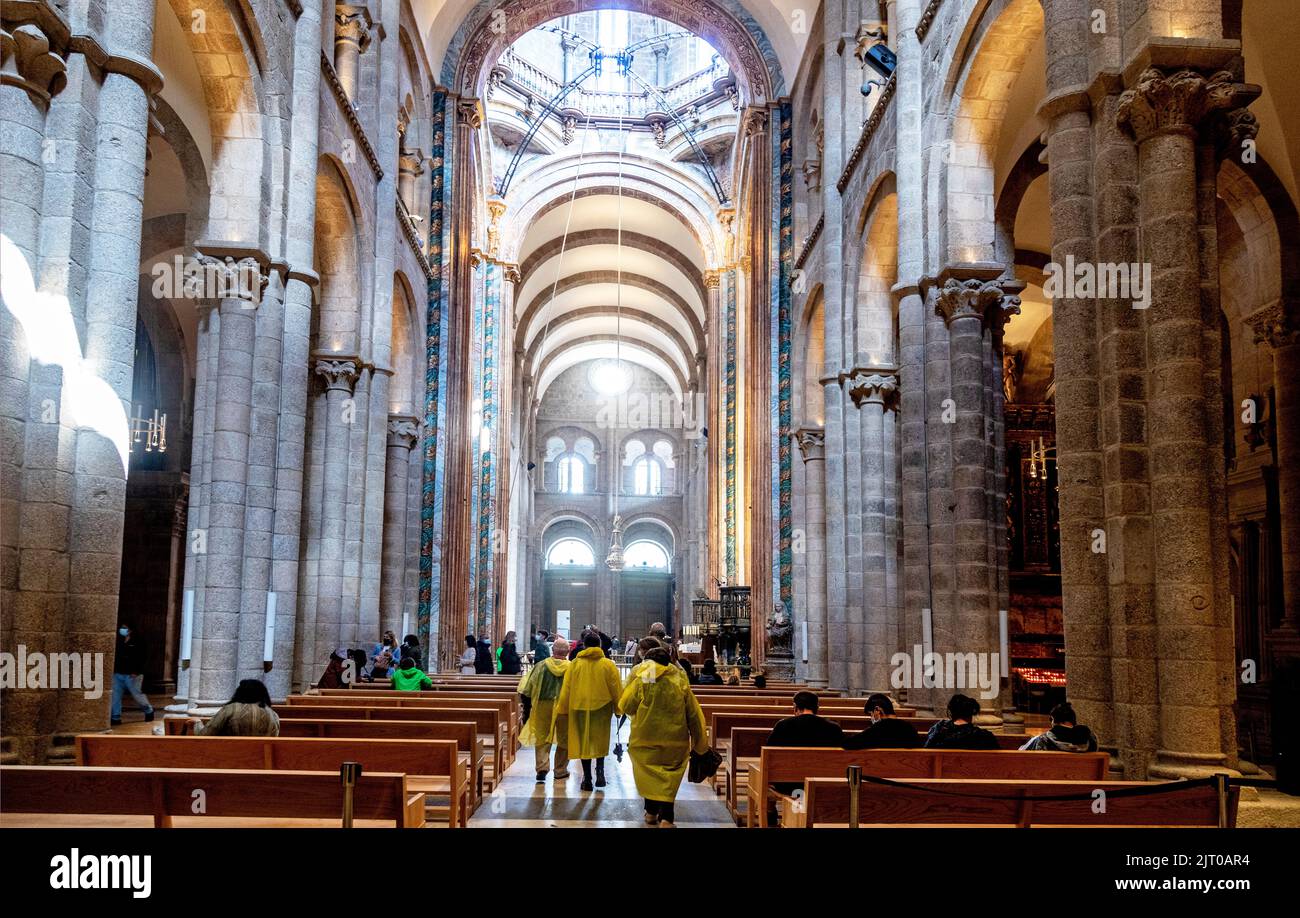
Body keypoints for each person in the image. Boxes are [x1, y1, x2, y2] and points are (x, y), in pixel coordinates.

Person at [618, 638, 709, 827]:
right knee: (669, 777)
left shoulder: (643, 679)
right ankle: (667, 817)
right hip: (675, 740)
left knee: (648, 774)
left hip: (645, 738)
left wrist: (640, 712)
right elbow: (694, 715)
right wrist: (701, 744)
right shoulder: (680, 680)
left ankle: (650, 812)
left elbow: (625, 704)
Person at [556, 631, 623, 791]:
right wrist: (619, 707)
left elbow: (567, 688)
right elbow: (616, 687)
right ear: (599, 645)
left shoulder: (575, 664)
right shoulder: (608, 664)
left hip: (579, 707)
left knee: (583, 742)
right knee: (600, 740)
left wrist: (563, 708)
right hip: (602, 707)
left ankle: (587, 778)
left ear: (584, 645)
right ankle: (600, 773)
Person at [519, 637, 571, 782]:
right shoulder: (572, 667)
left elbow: (527, 688)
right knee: (564, 738)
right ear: (567, 652)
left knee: (542, 737)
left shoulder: (541, 666)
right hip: (564, 707)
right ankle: (560, 770)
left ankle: (542, 768)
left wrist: (527, 709)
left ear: (553, 650)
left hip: (543, 705)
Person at [200, 679, 280, 736]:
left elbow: (205, 734)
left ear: (239, 692)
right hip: (262, 758)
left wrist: (197, 723)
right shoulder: (272, 714)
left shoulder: (230, 709)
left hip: (229, 757)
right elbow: (274, 737)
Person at [765, 692, 845, 748]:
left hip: (788, 769)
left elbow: (769, 749)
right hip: (824, 770)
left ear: (795, 707)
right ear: (817, 707)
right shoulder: (833, 727)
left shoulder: (783, 725)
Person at [843, 693, 922, 749]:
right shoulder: (910, 728)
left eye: (871, 714)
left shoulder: (877, 730)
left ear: (877, 710)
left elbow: (848, 744)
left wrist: (876, 725)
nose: (871, 718)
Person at [110, 623, 154, 726]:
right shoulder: (119, 640)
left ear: (131, 629)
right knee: (115, 696)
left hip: (132, 674)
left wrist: (137, 671)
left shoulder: (139, 641)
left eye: (125, 627)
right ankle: (115, 717)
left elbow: (143, 657)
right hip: (118, 673)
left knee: (137, 695)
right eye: (122, 627)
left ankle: (148, 710)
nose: (123, 629)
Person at [924, 693, 999, 749]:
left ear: (951, 712)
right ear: (971, 713)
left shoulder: (938, 732)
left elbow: (926, 751)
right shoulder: (984, 737)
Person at [1019, 702, 1098, 753]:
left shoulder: (1043, 739)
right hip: (1082, 777)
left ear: (1053, 719)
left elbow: (1021, 752)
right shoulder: (1091, 738)